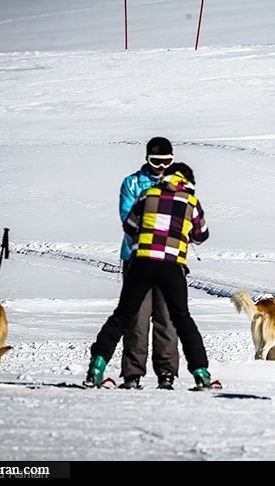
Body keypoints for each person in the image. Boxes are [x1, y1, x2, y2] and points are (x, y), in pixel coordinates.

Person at [84, 161, 215, 390]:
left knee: (122, 316)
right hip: (172, 266)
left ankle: (96, 367)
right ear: (186, 182)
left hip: (141, 263)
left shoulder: (146, 196)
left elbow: (130, 226)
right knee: (181, 319)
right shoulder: (190, 202)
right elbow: (200, 235)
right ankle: (201, 373)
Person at [117, 137, 180, 390]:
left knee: (167, 318)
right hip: (137, 259)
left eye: (167, 161)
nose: (162, 166)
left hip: (169, 260)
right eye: (156, 161)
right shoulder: (132, 183)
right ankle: (132, 373)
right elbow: (127, 217)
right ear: (147, 159)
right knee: (136, 318)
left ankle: (166, 373)